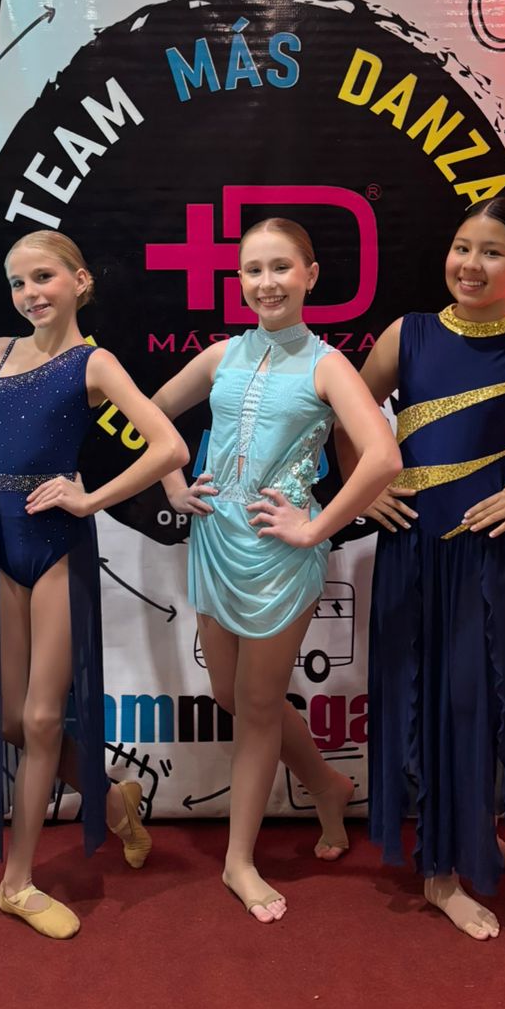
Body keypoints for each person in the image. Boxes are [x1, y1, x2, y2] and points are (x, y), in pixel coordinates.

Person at [348, 197, 505, 942]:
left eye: (492, 252)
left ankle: (468, 832)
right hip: (414, 548)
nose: (471, 264)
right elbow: (344, 414)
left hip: (490, 553)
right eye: (462, 247)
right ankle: (439, 874)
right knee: (425, 701)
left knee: (477, 705)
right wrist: (369, 489)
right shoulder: (408, 335)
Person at [153, 219, 401, 923]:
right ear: (238, 279)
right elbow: (153, 412)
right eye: (253, 270)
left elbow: (383, 457)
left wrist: (317, 527)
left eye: (281, 268)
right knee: (230, 695)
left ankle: (240, 860)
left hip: (279, 555)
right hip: (213, 540)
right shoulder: (221, 355)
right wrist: (174, 485)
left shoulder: (328, 365)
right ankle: (326, 784)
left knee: (258, 706)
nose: (267, 282)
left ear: (311, 276)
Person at [0, 231, 188, 939]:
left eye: (43, 277)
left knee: (43, 721)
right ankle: (116, 803)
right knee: (8, 721)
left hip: (56, 543)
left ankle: (16, 884)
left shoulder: (95, 363)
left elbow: (169, 446)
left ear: (80, 281)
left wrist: (91, 500)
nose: (30, 293)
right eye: (18, 283)